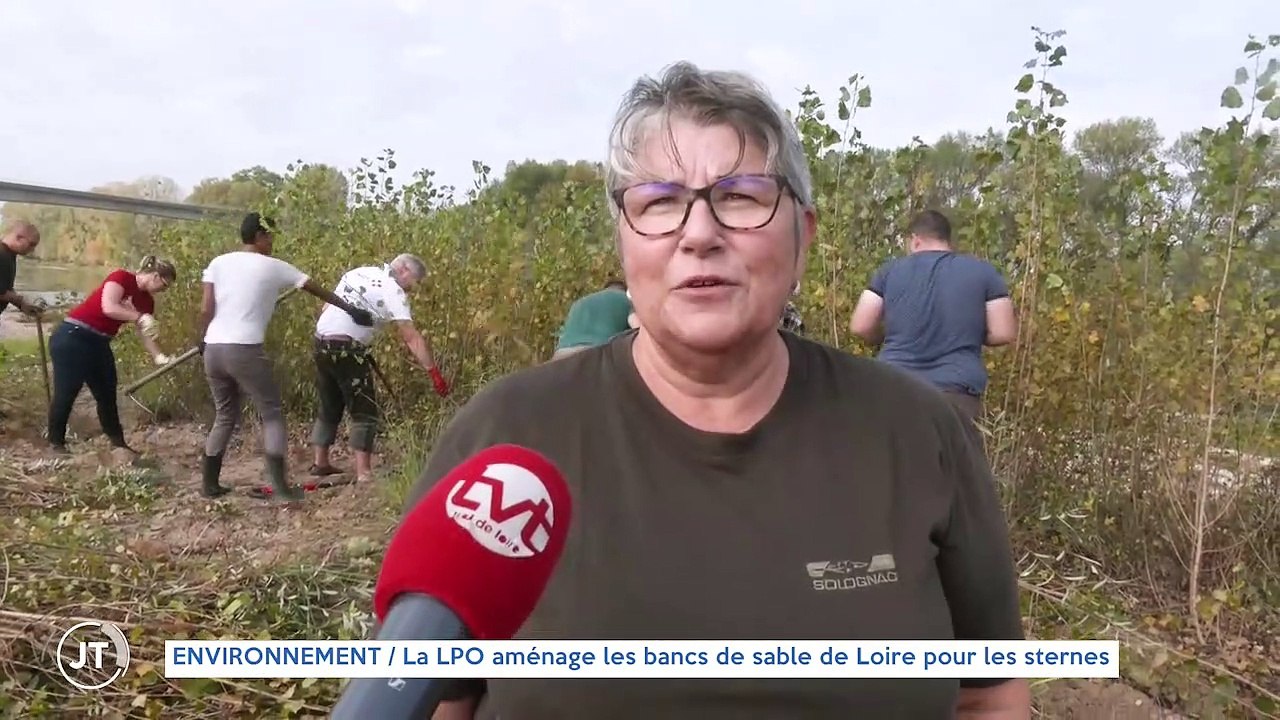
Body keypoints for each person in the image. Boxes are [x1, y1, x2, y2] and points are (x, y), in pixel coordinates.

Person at [406, 62, 1031, 719]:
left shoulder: (917, 431)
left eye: (741, 196)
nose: (699, 233)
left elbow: (987, 695)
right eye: (658, 201)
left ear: (803, 236)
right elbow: (437, 702)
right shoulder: (506, 437)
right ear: (623, 244)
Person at [196, 212, 374, 501]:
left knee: (225, 414)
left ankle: (209, 485)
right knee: (272, 414)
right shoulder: (274, 266)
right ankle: (280, 488)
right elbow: (318, 291)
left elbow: (206, 308)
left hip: (213, 349)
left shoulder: (219, 263)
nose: (272, 242)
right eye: (270, 236)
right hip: (245, 350)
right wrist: (352, 310)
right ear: (259, 236)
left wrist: (202, 338)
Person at [848, 210, 1018, 443]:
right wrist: (971, 334)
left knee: (894, 463)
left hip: (894, 386)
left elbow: (860, 325)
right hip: (956, 392)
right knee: (950, 464)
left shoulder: (889, 271)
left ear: (915, 240)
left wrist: (882, 337)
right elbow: (1003, 332)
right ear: (947, 239)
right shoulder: (984, 272)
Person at [309, 253, 450, 484]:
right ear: (404, 270)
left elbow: (327, 305)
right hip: (349, 348)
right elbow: (411, 336)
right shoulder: (393, 291)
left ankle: (320, 462)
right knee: (364, 409)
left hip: (321, 342)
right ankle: (364, 473)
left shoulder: (358, 273)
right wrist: (433, 372)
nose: (412, 289)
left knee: (329, 403)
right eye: (414, 282)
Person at [46, 256, 177, 455]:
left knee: (107, 394)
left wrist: (159, 356)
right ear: (155, 276)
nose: (163, 290)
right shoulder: (121, 278)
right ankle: (55, 444)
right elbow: (109, 307)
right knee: (67, 391)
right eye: (164, 285)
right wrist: (139, 317)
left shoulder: (146, 302)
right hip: (73, 335)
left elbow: (144, 333)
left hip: (99, 342)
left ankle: (118, 445)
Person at [549, 278, 636, 360]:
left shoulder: (580, 302)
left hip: (561, 354)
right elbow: (635, 324)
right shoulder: (625, 299)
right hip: (596, 353)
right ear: (624, 290)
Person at [0, 221, 42, 322]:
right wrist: (20, 300)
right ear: (19, 237)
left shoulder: (9, 254)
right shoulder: (2, 254)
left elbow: (4, 288)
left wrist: (22, 305)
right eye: (31, 244)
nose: (32, 250)